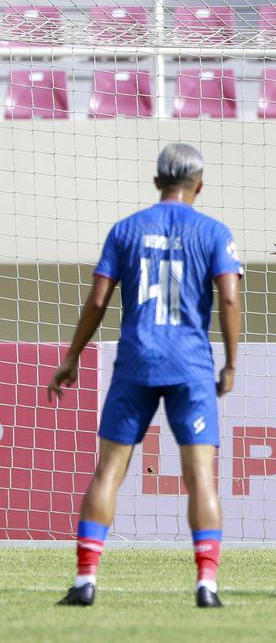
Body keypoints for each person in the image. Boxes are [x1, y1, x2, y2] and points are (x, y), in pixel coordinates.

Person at [47, 143, 243, 608]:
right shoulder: (214, 231)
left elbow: (97, 301)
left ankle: (85, 580)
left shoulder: (125, 229)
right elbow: (230, 299)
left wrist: (73, 356)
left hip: (135, 361)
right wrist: (231, 362)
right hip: (190, 365)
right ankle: (207, 585)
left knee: (108, 472)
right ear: (199, 184)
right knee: (201, 478)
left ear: (157, 181)